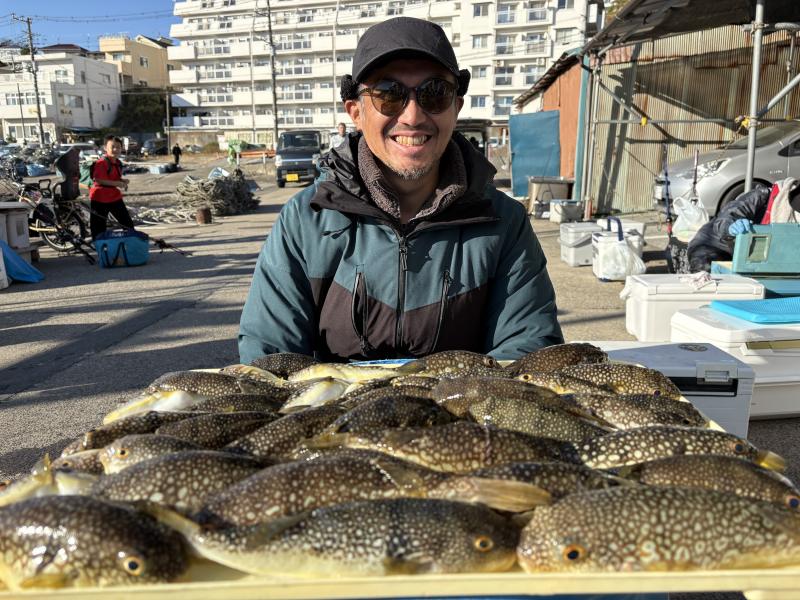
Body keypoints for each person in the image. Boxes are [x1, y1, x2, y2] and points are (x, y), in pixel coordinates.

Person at [238, 17, 563, 363]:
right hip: (335, 413)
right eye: (388, 95)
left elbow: (530, 355)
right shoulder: (306, 220)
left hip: (459, 411)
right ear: (356, 112)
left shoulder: (503, 222)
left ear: (456, 108)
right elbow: (269, 359)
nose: (412, 116)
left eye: (435, 93)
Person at [687, 178, 800, 272]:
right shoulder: (764, 195)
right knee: (705, 271)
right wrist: (730, 227)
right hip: (717, 245)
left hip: (755, 256)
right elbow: (729, 214)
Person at [89, 135, 134, 240]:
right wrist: (118, 184)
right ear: (105, 148)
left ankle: (131, 244)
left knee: (127, 223)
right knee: (99, 227)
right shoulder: (101, 162)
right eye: (112, 147)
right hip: (99, 198)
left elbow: (113, 178)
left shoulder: (118, 163)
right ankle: (100, 249)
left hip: (114, 197)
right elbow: (98, 179)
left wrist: (123, 181)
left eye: (118, 147)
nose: (115, 149)